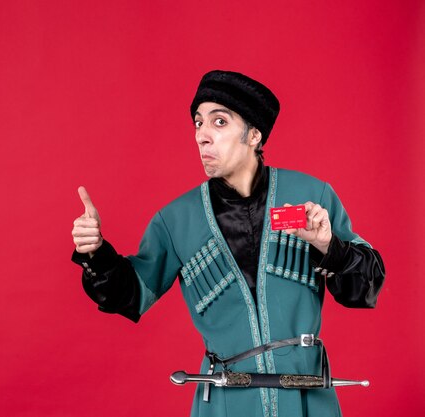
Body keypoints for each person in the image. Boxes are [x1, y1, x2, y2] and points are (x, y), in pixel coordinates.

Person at [70, 70, 385, 417]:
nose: (202, 136)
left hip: (307, 395)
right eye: (198, 123)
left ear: (253, 135)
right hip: (225, 400)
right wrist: (96, 254)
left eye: (219, 122)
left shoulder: (312, 196)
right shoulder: (175, 220)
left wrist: (330, 247)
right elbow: (129, 294)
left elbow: (364, 287)